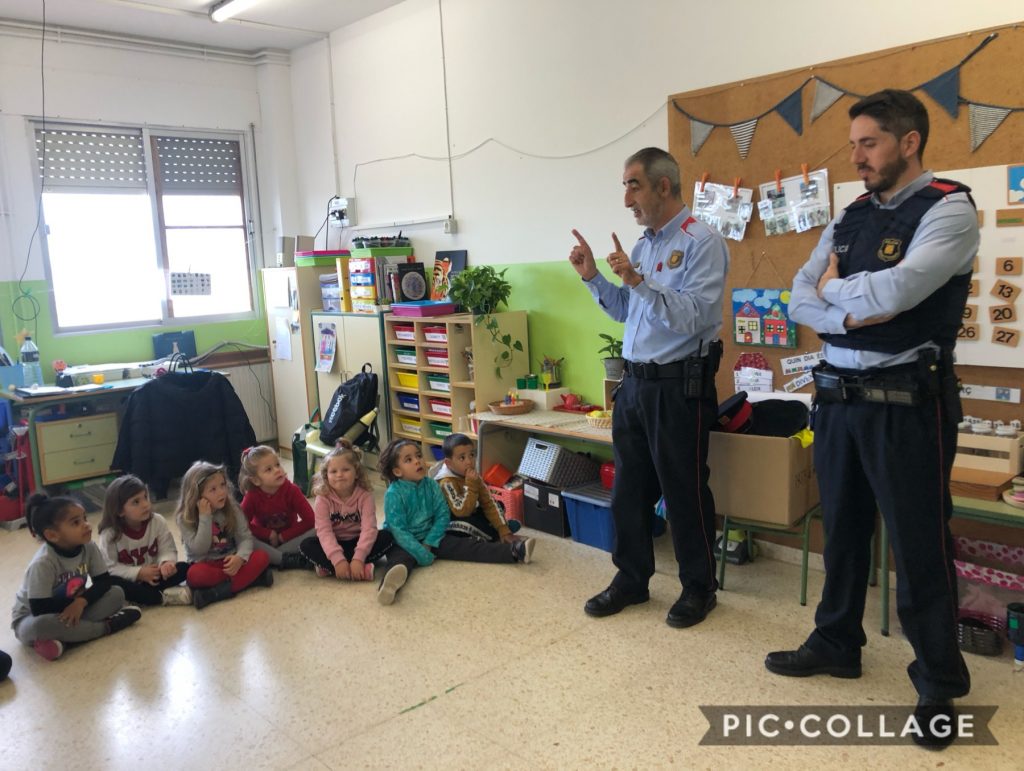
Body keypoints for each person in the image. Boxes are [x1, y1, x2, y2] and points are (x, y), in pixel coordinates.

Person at [766, 89, 976, 750]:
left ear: (908, 142)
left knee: (918, 546)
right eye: (854, 144)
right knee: (843, 531)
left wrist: (833, 292)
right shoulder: (850, 215)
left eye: (869, 143)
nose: (856, 157)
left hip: (907, 404)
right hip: (837, 400)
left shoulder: (949, 208)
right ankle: (837, 642)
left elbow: (900, 290)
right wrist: (848, 307)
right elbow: (797, 296)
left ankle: (938, 681)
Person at [569, 147, 729, 628]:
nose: (626, 200)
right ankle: (631, 579)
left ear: (663, 185)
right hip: (635, 383)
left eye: (633, 186)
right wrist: (594, 276)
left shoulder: (702, 242)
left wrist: (638, 282)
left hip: (679, 386)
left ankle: (699, 588)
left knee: (684, 491)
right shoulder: (643, 246)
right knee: (629, 490)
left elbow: (694, 316)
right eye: (624, 187)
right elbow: (627, 311)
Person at [375, 439, 535, 606]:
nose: (417, 461)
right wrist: (421, 553)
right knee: (400, 560)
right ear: (397, 471)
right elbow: (398, 530)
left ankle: (515, 551)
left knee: (467, 547)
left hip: (432, 535)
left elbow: (442, 515)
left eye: (419, 456)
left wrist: (429, 542)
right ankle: (389, 586)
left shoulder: (431, 485)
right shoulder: (393, 494)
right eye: (409, 460)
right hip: (403, 541)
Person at [11, 493, 142, 661]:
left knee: (116, 593)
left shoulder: (89, 546)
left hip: (75, 607)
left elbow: (104, 581)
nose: (86, 525)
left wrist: (81, 602)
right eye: (76, 522)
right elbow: (40, 608)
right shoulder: (43, 563)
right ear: (52, 535)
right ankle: (107, 627)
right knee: (41, 626)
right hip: (33, 617)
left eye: (84, 518)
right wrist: (75, 605)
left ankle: (65, 639)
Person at [176, 461, 273, 609]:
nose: (221, 492)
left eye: (222, 485)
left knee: (262, 557)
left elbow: (245, 538)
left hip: (232, 560)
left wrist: (240, 558)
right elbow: (200, 549)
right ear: (196, 496)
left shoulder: (232, 508)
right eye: (213, 489)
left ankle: (214, 593)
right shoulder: (185, 518)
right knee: (193, 575)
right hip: (206, 563)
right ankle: (252, 581)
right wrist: (205, 517)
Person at [300, 440, 395, 581]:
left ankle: (332, 568)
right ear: (326, 476)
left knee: (387, 536)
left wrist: (359, 558)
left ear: (356, 473)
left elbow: (369, 529)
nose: (339, 475)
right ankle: (353, 569)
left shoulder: (365, 496)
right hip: (335, 542)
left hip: (358, 541)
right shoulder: (323, 498)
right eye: (333, 471)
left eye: (345, 470)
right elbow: (324, 531)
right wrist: (337, 560)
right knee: (306, 545)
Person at [97, 475, 192, 606]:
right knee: (111, 583)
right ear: (119, 510)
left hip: (155, 576)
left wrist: (166, 563)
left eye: (145, 497)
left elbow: (167, 549)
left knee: (184, 568)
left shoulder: (157, 521)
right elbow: (109, 568)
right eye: (136, 502)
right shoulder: (109, 534)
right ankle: (160, 598)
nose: (145, 505)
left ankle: (142, 597)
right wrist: (139, 573)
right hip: (129, 581)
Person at [434, 433, 522, 544]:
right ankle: (493, 534)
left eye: (472, 455)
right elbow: (461, 512)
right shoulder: (446, 482)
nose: (469, 461)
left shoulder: (473, 476)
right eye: (462, 458)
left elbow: (488, 502)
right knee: (465, 524)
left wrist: (504, 530)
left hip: (471, 510)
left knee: (498, 505)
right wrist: (471, 485)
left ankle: (500, 529)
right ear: (449, 463)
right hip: (452, 519)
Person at [238, 446, 315, 570]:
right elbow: (241, 525)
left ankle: (274, 558)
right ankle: (285, 558)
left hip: (289, 539)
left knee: (319, 529)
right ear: (256, 480)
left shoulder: (292, 490)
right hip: (264, 541)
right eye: (269, 469)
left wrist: (283, 536)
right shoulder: (251, 496)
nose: (277, 470)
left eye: (277, 465)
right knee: (242, 538)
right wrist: (268, 534)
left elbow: (311, 520)